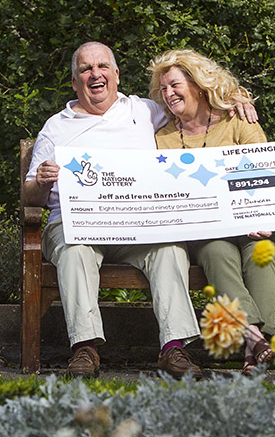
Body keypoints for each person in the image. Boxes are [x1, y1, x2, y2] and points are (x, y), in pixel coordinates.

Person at [25, 42, 256, 378]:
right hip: (76, 222)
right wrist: (42, 180)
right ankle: (84, 349)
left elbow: (193, 103)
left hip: (137, 224)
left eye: (102, 66)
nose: (95, 74)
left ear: (116, 75)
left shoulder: (144, 110)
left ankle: (173, 349)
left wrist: (233, 98)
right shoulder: (56, 127)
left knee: (170, 247)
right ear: (75, 83)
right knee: (74, 249)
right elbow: (29, 196)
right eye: (85, 70)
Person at [148, 49, 275, 370]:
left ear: (198, 85)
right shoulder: (164, 138)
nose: (168, 94)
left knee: (261, 250)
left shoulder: (237, 119)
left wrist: (260, 213)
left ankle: (253, 345)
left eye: (175, 85)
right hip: (211, 231)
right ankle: (257, 342)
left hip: (260, 222)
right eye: (163, 90)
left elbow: (263, 170)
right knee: (214, 253)